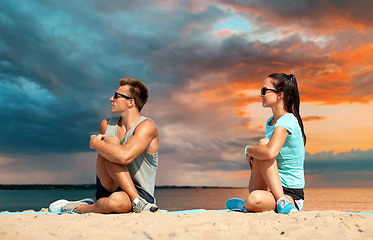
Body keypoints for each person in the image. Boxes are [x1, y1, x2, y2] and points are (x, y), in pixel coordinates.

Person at [49, 78, 159, 214]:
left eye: (117, 96)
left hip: (141, 192)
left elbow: (124, 157)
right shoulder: (106, 125)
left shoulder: (146, 126)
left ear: (131, 102)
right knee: (111, 140)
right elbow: (111, 155)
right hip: (110, 185)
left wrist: (95, 143)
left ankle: (83, 207)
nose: (111, 98)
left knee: (115, 202)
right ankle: (134, 201)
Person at [226, 73, 306, 214]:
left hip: (290, 194)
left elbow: (270, 152)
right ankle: (250, 205)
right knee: (262, 147)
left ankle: (281, 201)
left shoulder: (287, 121)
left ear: (280, 95)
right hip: (270, 187)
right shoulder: (271, 122)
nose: (261, 95)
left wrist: (248, 150)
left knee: (263, 145)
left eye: (264, 91)